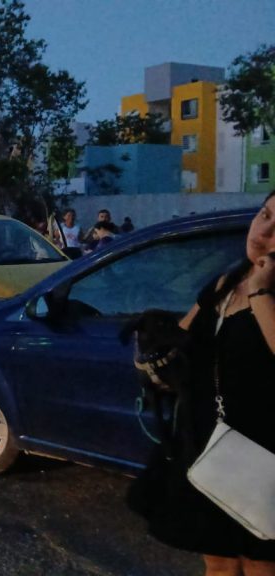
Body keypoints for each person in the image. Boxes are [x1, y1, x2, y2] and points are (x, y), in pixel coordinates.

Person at [128, 191, 275, 574]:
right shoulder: (227, 282)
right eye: (265, 215)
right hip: (209, 444)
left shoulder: (261, 288)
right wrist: (155, 356)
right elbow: (182, 343)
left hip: (263, 455)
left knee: (260, 564)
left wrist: (261, 291)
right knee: (219, 561)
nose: (263, 232)